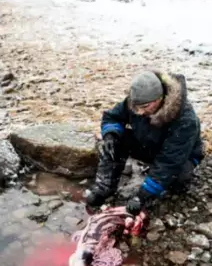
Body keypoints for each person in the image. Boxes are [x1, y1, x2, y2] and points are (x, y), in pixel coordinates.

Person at [84, 70, 204, 215]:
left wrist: (142, 196)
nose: (139, 112)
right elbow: (113, 117)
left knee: (177, 178)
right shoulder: (137, 101)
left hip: (183, 157)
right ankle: (104, 187)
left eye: (145, 107)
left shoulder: (185, 120)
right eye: (136, 107)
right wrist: (110, 135)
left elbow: (170, 162)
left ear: (161, 98)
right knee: (113, 143)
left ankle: (156, 190)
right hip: (149, 144)